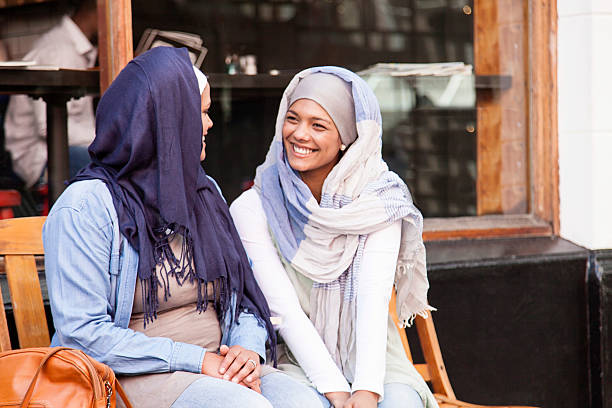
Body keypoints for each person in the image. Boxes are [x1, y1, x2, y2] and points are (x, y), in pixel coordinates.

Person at [42, 46, 318, 408]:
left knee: (305, 403)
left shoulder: (204, 192)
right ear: (166, 119)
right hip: (126, 377)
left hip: (217, 365)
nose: (209, 124)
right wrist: (197, 360)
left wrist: (246, 352)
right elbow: (83, 335)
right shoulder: (86, 207)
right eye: (200, 113)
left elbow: (243, 298)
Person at [229, 67, 439, 408]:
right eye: (292, 118)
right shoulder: (254, 206)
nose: (299, 134)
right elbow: (284, 309)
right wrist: (336, 392)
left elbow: (372, 297)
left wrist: (367, 390)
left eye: (318, 125)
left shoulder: (378, 201)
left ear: (346, 137)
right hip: (294, 358)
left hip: (374, 359)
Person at [3, 0, 98, 188]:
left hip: (65, 149)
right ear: (96, 10)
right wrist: (104, 139)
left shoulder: (76, 49)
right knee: (114, 166)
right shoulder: (59, 50)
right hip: (39, 158)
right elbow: (46, 127)